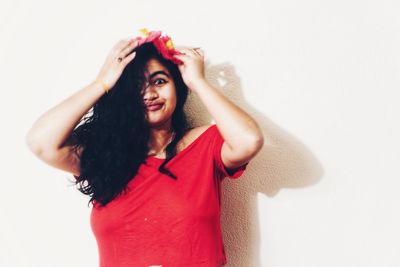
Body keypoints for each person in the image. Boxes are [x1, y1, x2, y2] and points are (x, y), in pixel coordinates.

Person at [26, 28, 264, 267]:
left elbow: (249, 140)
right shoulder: (104, 157)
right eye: (136, 86)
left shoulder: (204, 145)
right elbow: (40, 142)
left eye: (159, 81)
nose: (149, 93)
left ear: (178, 89)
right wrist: (103, 82)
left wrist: (198, 82)